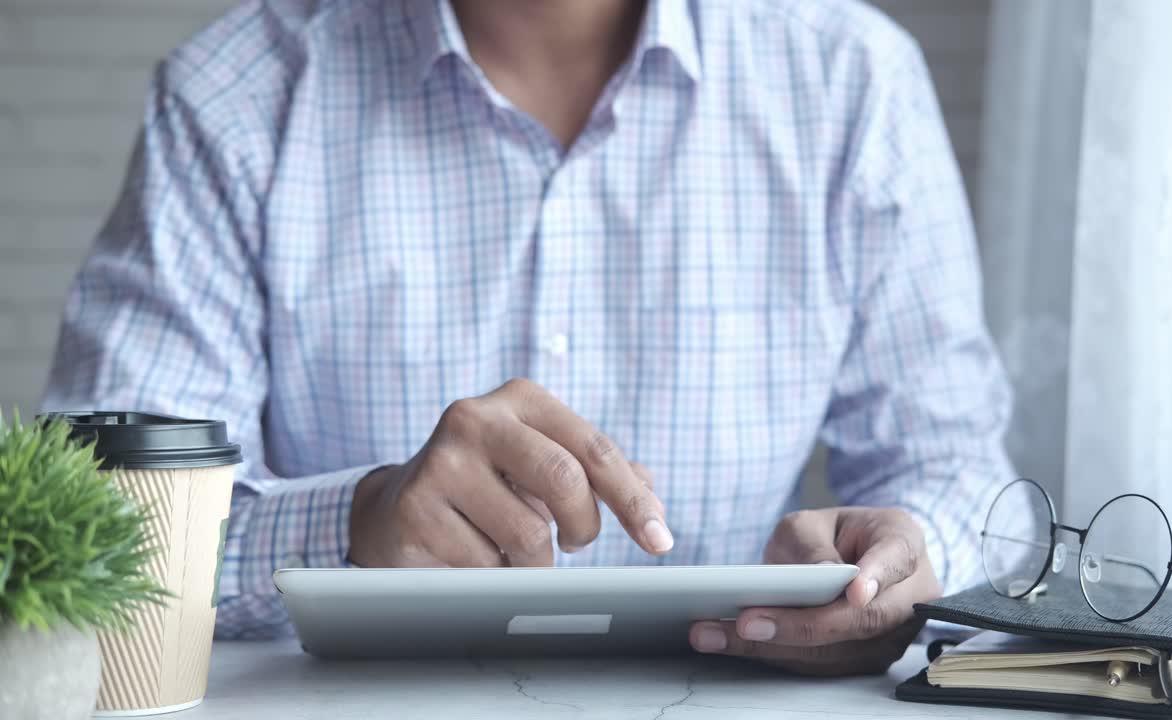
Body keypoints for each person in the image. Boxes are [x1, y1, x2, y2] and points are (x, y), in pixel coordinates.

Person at [42, 0, 1016, 675]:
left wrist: (900, 560)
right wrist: (359, 523)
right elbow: (86, 531)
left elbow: (955, 468)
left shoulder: (850, 81)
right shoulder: (231, 96)